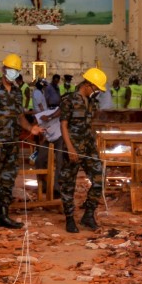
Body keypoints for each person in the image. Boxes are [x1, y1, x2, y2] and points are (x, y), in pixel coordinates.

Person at [0, 53, 42, 231]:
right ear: (4, 69)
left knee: (8, 180)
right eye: (10, 69)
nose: (13, 72)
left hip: (12, 144)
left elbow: (19, 117)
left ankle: (3, 216)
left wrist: (31, 128)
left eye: (16, 70)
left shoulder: (16, 92)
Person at [58, 67, 108, 233]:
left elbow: (88, 124)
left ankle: (88, 214)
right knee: (68, 184)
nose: (97, 92)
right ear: (88, 84)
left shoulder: (92, 102)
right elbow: (63, 125)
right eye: (96, 88)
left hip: (88, 147)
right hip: (72, 146)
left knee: (99, 177)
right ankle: (69, 218)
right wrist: (70, 148)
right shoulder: (69, 100)